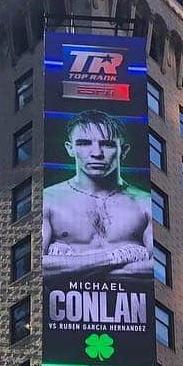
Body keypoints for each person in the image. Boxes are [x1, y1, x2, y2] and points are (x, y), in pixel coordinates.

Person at [42, 110, 152, 281]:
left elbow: (158, 269)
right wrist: (117, 257)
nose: (97, 153)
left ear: (123, 150)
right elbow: (37, 267)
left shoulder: (145, 204)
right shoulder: (49, 200)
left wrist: (70, 264)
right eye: (84, 143)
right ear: (70, 149)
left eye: (107, 144)